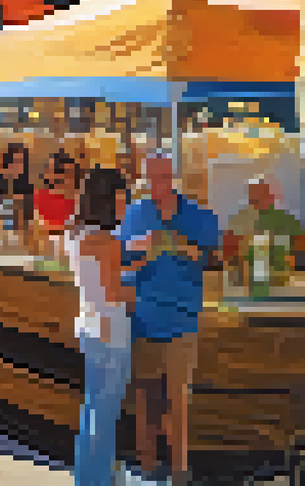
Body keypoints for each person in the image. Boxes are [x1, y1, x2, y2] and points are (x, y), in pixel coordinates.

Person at [117, 152, 220, 486]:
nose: (156, 185)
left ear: (172, 177)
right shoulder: (135, 213)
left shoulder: (197, 215)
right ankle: (148, 468)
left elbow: (212, 255)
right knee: (146, 398)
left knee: (177, 400)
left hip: (182, 318)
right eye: (151, 179)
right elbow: (119, 255)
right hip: (144, 318)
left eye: (162, 178)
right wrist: (141, 245)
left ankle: (179, 472)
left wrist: (174, 242)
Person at [68, 166, 134, 486]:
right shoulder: (107, 242)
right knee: (104, 417)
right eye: (122, 197)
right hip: (111, 334)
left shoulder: (79, 235)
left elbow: (97, 281)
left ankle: (89, 477)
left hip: (89, 328)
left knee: (92, 411)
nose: (126, 204)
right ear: (108, 200)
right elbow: (114, 293)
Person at [0, 142, 34, 251]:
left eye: (21, 162)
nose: (18, 166)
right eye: (15, 161)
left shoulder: (27, 186)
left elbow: (29, 217)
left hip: (18, 238)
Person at [36, 152, 80, 256]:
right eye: (62, 173)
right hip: (44, 251)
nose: (67, 178)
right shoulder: (39, 196)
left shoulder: (82, 201)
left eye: (71, 174)